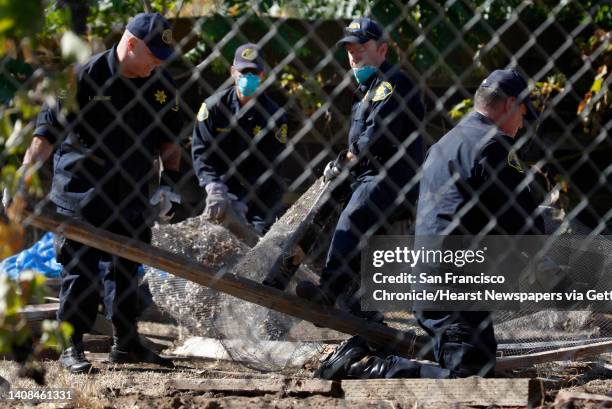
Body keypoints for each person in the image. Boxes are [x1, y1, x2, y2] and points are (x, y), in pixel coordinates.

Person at [315, 68, 545, 380]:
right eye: (523, 113)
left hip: (434, 278)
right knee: (469, 380)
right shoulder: (492, 147)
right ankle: (369, 365)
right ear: (510, 104)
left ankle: (376, 362)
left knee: (478, 367)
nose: (521, 123)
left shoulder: (445, 144)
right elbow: (526, 225)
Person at [5, 13, 183, 373]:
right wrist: (25, 174)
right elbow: (45, 136)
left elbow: (170, 140)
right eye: (153, 54)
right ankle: (72, 346)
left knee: (127, 271)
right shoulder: (81, 79)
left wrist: (169, 185)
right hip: (79, 195)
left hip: (131, 196)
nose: (159, 63)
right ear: (131, 44)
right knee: (79, 271)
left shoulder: (159, 82)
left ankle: (125, 342)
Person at [295, 18, 425, 320]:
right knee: (347, 224)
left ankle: (329, 290)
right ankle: (357, 308)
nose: (354, 55)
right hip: (370, 176)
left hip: (390, 177)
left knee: (352, 216)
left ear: (382, 49)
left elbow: (375, 138)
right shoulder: (368, 89)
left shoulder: (392, 84)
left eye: (361, 48)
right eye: (349, 49)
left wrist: (343, 162)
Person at [191, 43, 288, 234]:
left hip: (260, 196)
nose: (248, 78)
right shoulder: (213, 108)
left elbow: (270, 166)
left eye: (254, 73)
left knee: (257, 244)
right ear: (233, 72)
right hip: (221, 187)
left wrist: (243, 200)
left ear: (262, 76)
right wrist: (214, 186)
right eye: (244, 72)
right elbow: (201, 152)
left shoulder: (275, 117)